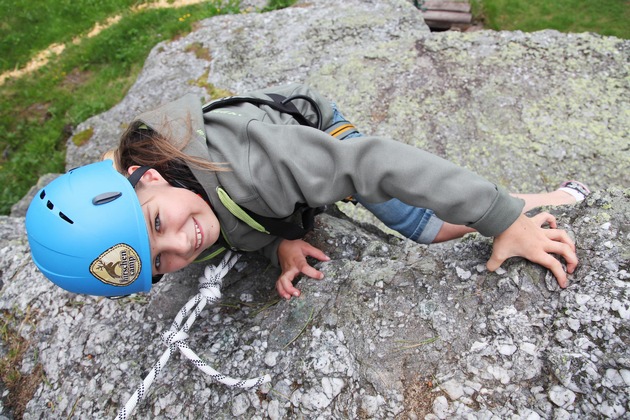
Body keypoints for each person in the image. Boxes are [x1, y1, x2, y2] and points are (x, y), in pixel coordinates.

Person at [25, 84, 588, 299]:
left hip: (318, 133)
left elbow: (373, 163)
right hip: (271, 181)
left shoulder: (258, 168)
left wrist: (499, 217)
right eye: (161, 264)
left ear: (149, 178)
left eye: (155, 226)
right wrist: (278, 245)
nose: (181, 245)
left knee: (426, 227)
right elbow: (225, 230)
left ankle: (547, 200)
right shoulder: (173, 204)